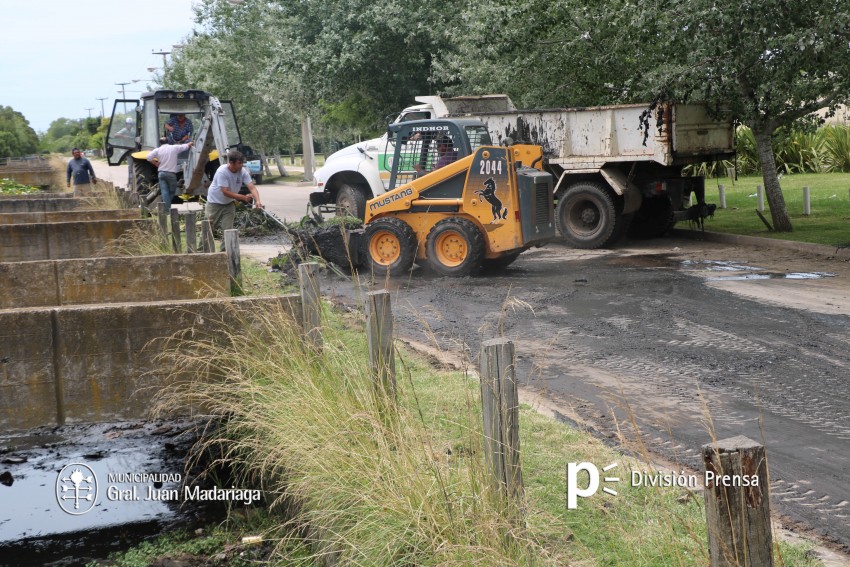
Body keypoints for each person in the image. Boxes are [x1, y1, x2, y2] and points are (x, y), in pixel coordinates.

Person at [205, 150, 263, 250]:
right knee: (208, 228)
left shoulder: (243, 172)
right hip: (214, 203)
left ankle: (225, 252)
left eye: (242, 163)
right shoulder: (222, 172)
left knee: (228, 229)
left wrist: (258, 201)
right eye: (239, 163)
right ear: (231, 163)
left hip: (229, 204)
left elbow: (252, 187)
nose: (241, 165)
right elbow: (225, 192)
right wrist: (243, 197)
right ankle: (204, 250)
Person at [146, 140, 194, 212]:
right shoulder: (174, 148)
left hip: (161, 173)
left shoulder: (158, 150)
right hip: (171, 174)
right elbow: (185, 146)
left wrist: (155, 163)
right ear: (168, 142)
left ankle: (166, 208)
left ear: (160, 143)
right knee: (172, 191)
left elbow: (148, 157)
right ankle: (167, 210)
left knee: (165, 192)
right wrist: (191, 143)